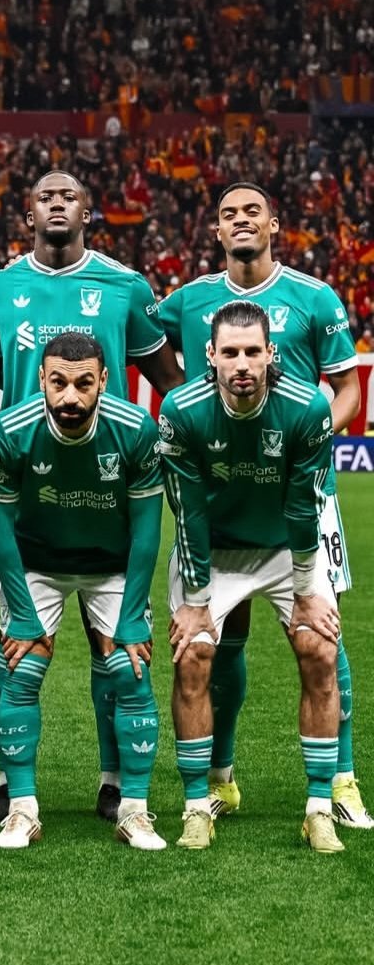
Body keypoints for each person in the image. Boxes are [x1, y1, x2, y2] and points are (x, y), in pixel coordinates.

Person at [0, 169, 184, 825]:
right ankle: (9, 783)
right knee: (15, 651)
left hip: (108, 492)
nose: (57, 204)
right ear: (28, 213)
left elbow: (169, 379)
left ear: (89, 211)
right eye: (44, 197)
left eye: (69, 196)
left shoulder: (125, 285)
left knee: (113, 652)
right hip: (28, 496)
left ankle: (113, 783)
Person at [158, 181, 370, 828]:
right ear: (216, 230)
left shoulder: (314, 296)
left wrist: (306, 441)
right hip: (223, 494)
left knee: (323, 635)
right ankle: (219, 778)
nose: (242, 220)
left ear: (274, 224)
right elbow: (136, 339)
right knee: (222, 643)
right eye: (230, 213)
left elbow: (348, 390)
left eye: (253, 210)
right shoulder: (188, 300)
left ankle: (341, 780)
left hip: (304, 495)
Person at [160, 300, 343, 853]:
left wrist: (307, 591)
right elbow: (188, 511)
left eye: (252, 352)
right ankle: (198, 805)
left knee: (320, 650)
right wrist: (195, 602)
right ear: (210, 355)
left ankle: (319, 807)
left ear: (271, 354)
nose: (242, 364)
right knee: (193, 655)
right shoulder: (181, 410)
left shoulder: (307, 407)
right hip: (213, 551)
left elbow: (303, 505)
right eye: (231, 352)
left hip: (285, 549)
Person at [0, 332, 166, 850]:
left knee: (130, 668)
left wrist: (132, 616)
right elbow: (0, 531)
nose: (70, 397)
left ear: (104, 380)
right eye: (58, 382)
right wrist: (21, 611)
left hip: (111, 565)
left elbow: (148, 531)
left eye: (83, 384)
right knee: (21, 667)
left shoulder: (136, 429)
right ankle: (22, 809)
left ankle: (135, 811)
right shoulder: (8, 431)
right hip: (37, 563)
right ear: (41, 378)